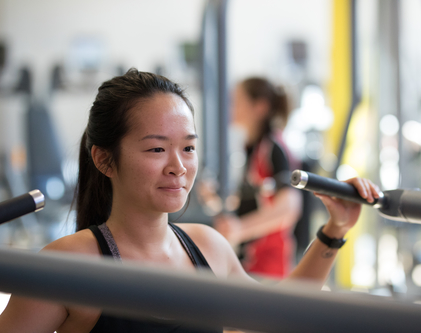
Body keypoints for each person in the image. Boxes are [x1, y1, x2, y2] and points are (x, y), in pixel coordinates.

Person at [0, 69, 381, 333]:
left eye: (188, 148)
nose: (178, 166)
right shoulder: (68, 265)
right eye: (156, 149)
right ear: (104, 159)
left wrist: (335, 229)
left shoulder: (207, 246)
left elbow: (279, 316)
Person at [213, 77, 301, 279]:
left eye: (236, 101)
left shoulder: (274, 148)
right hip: (250, 263)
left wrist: (240, 229)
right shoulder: (253, 149)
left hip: (268, 267)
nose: (230, 106)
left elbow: (290, 207)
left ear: (259, 107)